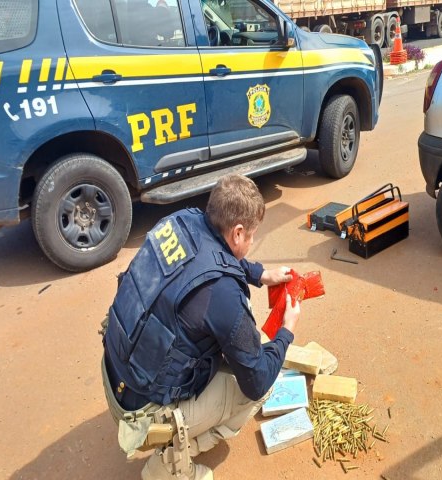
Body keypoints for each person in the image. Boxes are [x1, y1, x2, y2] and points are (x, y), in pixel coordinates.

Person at [101, 174, 301, 480]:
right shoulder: (223, 295)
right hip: (139, 412)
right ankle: (171, 466)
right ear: (237, 233)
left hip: (115, 368)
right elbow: (257, 380)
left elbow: (211, 256)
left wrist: (260, 274)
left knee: (225, 343)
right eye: (251, 236)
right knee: (262, 377)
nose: (250, 242)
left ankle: (175, 439)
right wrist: (286, 331)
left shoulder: (183, 221)